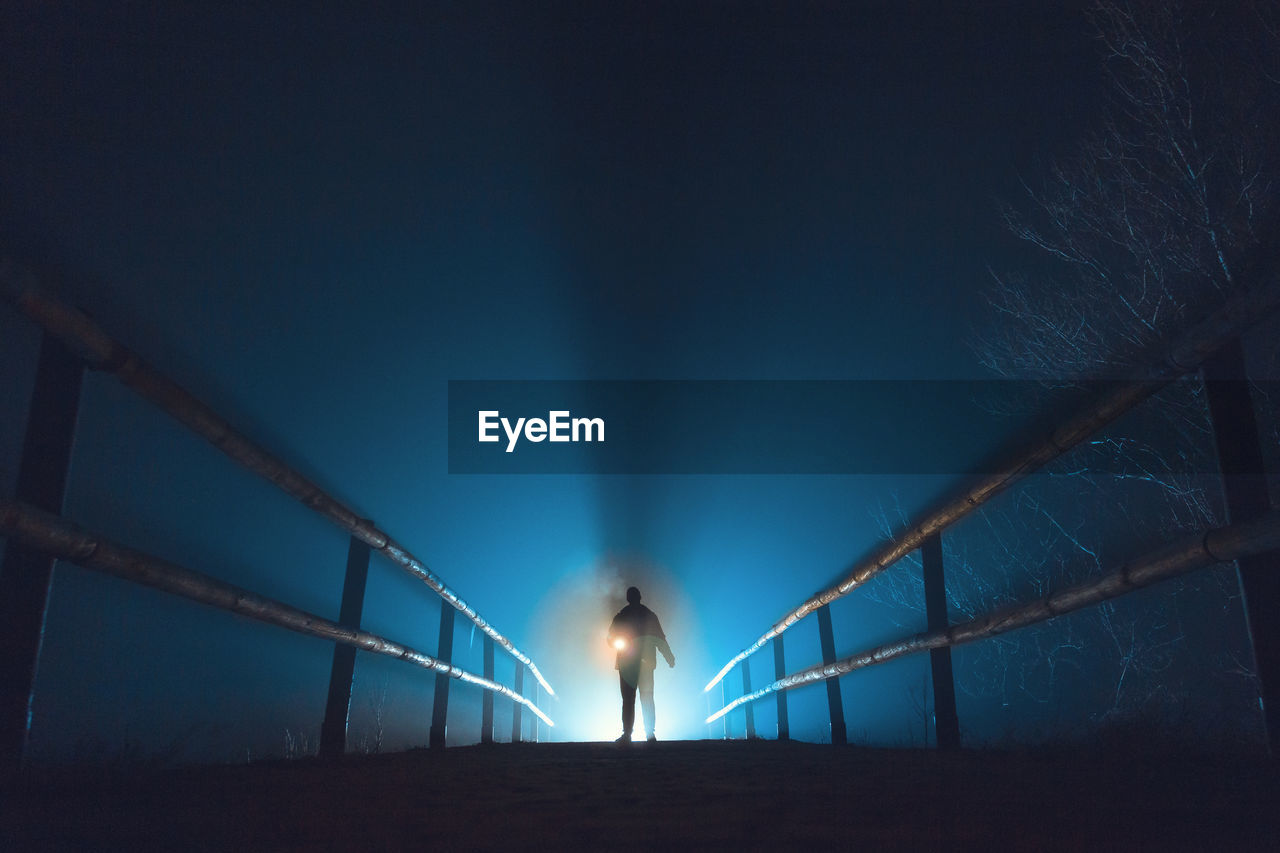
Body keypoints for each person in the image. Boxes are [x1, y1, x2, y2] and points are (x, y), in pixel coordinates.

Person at [606, 586, 675, 743]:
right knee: (646, 698)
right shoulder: (649, 616)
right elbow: (660, 640)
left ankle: (628, 734)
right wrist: (669, 658)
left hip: (627, 665)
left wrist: (618, 642)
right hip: (645, 664)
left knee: (629, 700)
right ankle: (649, 734)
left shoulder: (621, 617)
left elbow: (610, 638)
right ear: (640, 597)